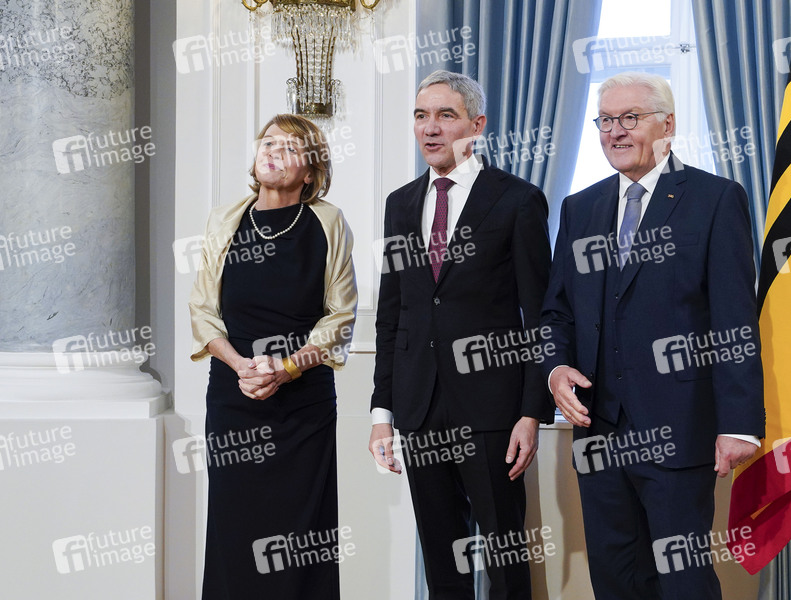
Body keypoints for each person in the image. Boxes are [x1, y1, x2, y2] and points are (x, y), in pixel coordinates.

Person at [541, 72, 765, 599]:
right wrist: (555, 368)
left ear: (667, 126)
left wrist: (739, 424)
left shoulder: (715, 199)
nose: (614, 132)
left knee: (684, 583)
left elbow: (734, 318)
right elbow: (558, 312)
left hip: (679, 431)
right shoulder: (580, 208)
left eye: (630, 118)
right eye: (605, 120)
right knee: (615, 581)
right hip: (598, 434)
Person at [369, 70, 553, 599]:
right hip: (419, 407)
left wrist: (531, 412)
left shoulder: (518, 200)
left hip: (493, 412)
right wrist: (382, 414)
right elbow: (392, 314)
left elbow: (540, 315)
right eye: (420, 116)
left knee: (504, 559)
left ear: (476, 125)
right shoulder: (400, 203)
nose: (430, 128)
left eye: (445, 115)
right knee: (441, 558)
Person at [189, 114, 356, 599]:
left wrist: (285, 369)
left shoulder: (328, 221)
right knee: (235, 529)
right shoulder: (224, 219)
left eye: (289, 147)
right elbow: (203, 310)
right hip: (234, 397)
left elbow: (340, 316)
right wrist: (241, 366)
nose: (273, 151)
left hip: (302, 403)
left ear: (312, 171)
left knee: (302, 537)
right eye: (268, 142)